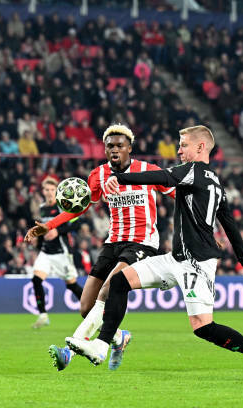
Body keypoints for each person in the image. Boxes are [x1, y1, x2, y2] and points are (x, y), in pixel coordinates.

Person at [66, 125, 243, 382]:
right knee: (119, 282)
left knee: (203, 327)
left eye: (183, 145)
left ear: (200, 147)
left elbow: (163, 177)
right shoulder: (214, 180)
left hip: (196, 262)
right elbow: (228, 222)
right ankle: (101, 346)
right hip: (174, 258)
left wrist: (120, 178)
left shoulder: (192, 170)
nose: (179, 151)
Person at [24, 124, 175, 371]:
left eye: (119, 145)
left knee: (110, 288)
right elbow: (80, 207)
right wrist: (49, 225)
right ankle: (119, 338)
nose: (114, 149)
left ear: (129, 148)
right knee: (86, 307)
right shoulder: (99, 175)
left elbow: (179, 195)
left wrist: (202, 228)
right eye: (109, 146)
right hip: (113, 242)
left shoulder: (149, 171)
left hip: (142, 242)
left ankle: (70, 351)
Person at [29, 177, 84, 329]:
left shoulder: (63, 206)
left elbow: (77, 224)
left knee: (72, 285)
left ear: (57, 191)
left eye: (52, 189)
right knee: (36, 280)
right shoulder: (42, 208)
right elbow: (44, 229)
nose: (49, 192)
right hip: (46, 252)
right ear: (43, 191)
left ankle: (93, 309)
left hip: (61, 252)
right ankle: (43, 315)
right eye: (47, 189)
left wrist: (58, 231)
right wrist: (37, 237)